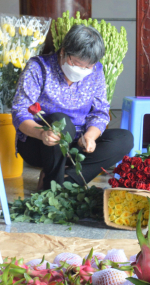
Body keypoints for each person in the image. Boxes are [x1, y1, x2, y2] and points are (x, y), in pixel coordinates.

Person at [12, 25, 133, 190]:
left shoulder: (96, 72)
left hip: (77, 145)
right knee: (60, 121)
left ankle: (64, 182)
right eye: (76, 63)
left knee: (124, 139)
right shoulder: (39, 68)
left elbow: (100, 112)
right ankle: (52, 185)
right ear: (63, 52)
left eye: (87, 66)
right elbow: (20, 111)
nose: (82, 70)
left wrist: (90, 137)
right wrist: (41, 133)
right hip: (41, 143)